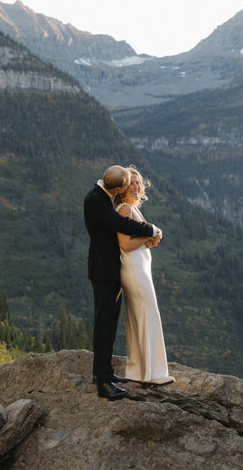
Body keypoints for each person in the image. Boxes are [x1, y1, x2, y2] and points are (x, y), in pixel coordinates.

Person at [84, 165, 160, 400]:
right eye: (124, 186)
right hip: (104, 271)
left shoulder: (101, 194)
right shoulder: (96, 201)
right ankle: (104, 383)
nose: (128, 189)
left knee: (109, 322)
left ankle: (104, 373)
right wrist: (151, 229)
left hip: (109, 270)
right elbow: (121, 225)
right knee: (105, 325)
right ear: (116, 188)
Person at [115, 166, 174, 387]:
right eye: (131, 182)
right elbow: (125, 244)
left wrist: (149, 239)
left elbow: (137, 241)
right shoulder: (124, 210)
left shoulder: (133, 210)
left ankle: (140, 371)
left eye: (138, 182)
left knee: (140, 316)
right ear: (121, 187)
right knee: (147, 313)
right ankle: (152, 373)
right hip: (133, 269)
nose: (136, 186)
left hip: (140, 267)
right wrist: (149, 234)